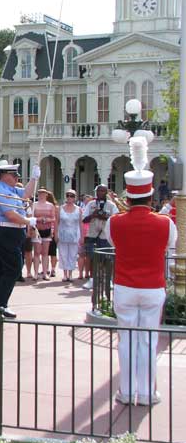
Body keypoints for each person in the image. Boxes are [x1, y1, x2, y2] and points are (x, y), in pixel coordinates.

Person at [106, 142, 176, 406]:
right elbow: (169, 246)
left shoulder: (115, 222)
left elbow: (115, 244)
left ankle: (125, 391)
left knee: (126, 340)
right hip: (153, 286)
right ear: (150, 195)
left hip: (124, 285)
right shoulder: (164, 222)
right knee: (149, 340)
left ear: (129, 196)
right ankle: (146, 394)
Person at [0, 162, 40, 318]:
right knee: (14, 269)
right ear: (4, 176)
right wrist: (28, 221)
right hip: (4, 232)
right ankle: (1, 304)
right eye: (14, 175)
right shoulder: (1, 191)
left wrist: (34, 179)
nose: (17, 177)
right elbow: (10, 215)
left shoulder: (10, 189)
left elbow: (26, 194)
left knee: (3, 270)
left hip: (10, 233)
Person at [81, 184, 119, 290]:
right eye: (99, 191)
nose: (100, 193)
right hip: (92, 234)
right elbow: (84, 219)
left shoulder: (111, 205)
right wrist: (94, 214)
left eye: (103, 191)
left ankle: (108, 280)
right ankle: (92, 280)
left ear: (106, 192)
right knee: (92, 257)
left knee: (107, 258)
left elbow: (115, 219)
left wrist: (105, 216)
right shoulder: (91, 204)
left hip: (105, 235)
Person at [55, 189, 82, 282]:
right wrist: (55, 234)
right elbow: (56, 222)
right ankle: (65, 274)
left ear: (75, 198)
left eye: (72, 196)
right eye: (68, 195)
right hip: (62, 233)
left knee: (73, 254)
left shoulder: (79, 209)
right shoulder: (60, 208)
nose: (69, 198)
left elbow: (80, 224)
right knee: (63, 254)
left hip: (74, 234)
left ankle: (70, 274)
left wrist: (82, 237)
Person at [32, 188, 55, 280]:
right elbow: (31, 217)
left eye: (43, 193)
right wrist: (38, 219)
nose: (41, 195)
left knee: (45, 253)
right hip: (37, 230)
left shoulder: (50, 206)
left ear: (46, 195)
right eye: (40, 193)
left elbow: (53, 218)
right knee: (37, 252)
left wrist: (46, 220)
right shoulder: (34, 205)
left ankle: (45, 273)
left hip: (47, 229)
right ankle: (36, 273)